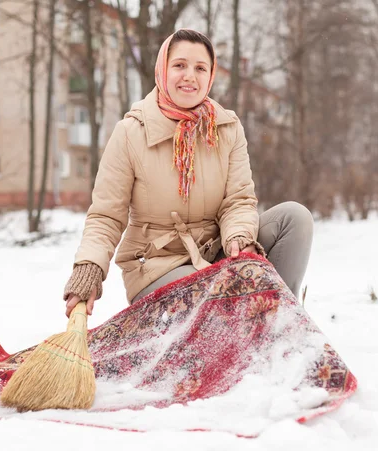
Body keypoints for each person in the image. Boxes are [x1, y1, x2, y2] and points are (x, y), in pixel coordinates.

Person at [63, 29, 313, 317]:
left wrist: (239, 240)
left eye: (200, 68)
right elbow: (106, 216)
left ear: (210, 75)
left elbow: (238, 201)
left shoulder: (227, 128)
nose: (189, 76)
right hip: (157, 267)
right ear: (163, 69)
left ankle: (280, 320)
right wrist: (89, 266)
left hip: (214, 254)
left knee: (295, 218)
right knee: (212, 289)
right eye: (180, 65)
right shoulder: (131, 132)